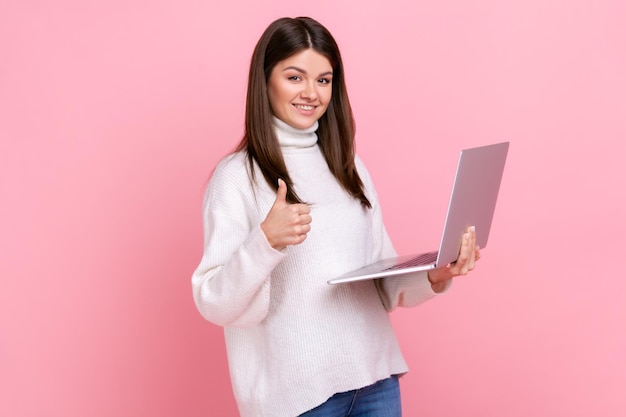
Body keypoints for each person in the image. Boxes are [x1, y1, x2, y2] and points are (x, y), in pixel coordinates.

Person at [191, 16, 480, 417]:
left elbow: (381, 284)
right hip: (299, 399)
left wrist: (435, 273)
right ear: (265, 81)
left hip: (375, 382)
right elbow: (215, 304)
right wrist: (266, 242)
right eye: (295, 77)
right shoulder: (237, 177)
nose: (312, 93)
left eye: (324, 80)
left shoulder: (350, 167)